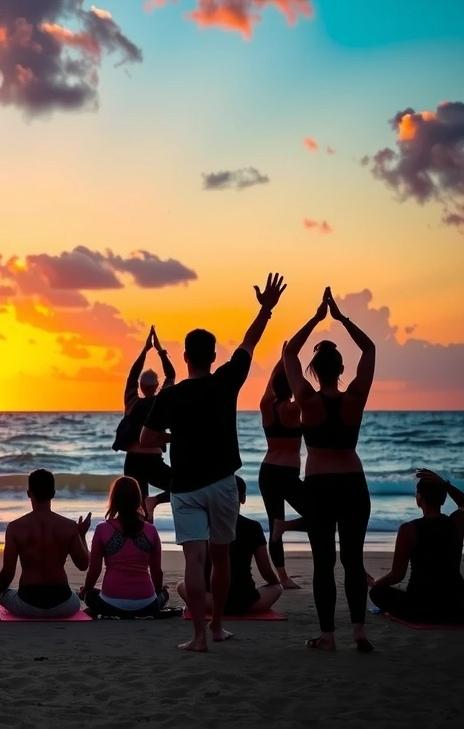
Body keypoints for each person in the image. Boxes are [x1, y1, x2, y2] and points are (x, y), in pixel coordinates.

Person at [142, 272, 286, 652]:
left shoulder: (170, 397)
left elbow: (146, 440)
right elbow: (250, 342)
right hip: (222, 482)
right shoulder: (226, 380)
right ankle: (219, 627)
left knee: (195, 558)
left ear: (186, 357)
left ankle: (199, 636)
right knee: (221, 557)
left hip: (184, 487)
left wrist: (174, 436)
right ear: (214, 357)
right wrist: (266, 309)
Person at [284, 287, 376, 653]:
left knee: (324, 562)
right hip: (354, 484)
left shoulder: (307, 400)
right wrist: (341, 318)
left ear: (313, 371)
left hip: (320, 486)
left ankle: (328, 637)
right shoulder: (355, 398)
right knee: (354, 560)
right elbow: (369, 350)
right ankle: (359, 633)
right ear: (341, 370)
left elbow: (290, 351)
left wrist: (317, 317)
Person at [369, 469, 464, 625]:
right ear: (444, 500)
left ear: (419, 498)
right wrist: (446, 485)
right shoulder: (456, 523)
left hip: (421, 610)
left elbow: (397, 575)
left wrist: (375, 583)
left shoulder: (408, 529)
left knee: (377, 592)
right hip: (459, 609)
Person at [177, 476, 283, 616]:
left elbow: (195, 565)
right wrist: (276, 581)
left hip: (211, 602)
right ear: (243, 498)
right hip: (246, 602)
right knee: (277, 588)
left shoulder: (203, 525)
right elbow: (265, 570)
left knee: (181, 585)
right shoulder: (253, 527)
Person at [0, 469, 90, 618]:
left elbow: (8, 572)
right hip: (63, 604)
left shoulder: (15, 527)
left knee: (4, 595)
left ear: (29, 493)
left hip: (27, 604)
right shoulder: (69, 526)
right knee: (74, 593)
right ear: (53, 493)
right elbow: (83, 564)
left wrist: (0, 591)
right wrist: (82, 535)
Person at [80, 477, 169, 619]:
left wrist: (85, 591)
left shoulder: (102, 529)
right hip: (147, 605)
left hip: (110, 603)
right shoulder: (151, 530)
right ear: (138, 500)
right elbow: (157, 571)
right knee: (165, 594)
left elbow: (94, 571)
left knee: (90, 596)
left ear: (114, 500)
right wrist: (159, 592)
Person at [113, 325, 176, 521]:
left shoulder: (131, 401)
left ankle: (137, 542)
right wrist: (159, 350)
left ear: (140, 386)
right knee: (184, 485)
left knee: (134, 511)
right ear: (157, 386)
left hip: (132, 460)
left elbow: (132, 375)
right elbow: (171, 375)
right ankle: (155, 501)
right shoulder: (162, 400)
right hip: (153, 462)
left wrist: (144, 350)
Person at [258, 346, 306, 588]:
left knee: (272, 522)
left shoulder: (266, 407)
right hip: (287, 474)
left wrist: (281, 358)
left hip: (267, 472)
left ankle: (283, 577)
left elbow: (270, 384)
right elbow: (305, 394)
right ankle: (286, 526)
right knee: (319, 513)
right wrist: (292, 363)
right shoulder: (293, 409)